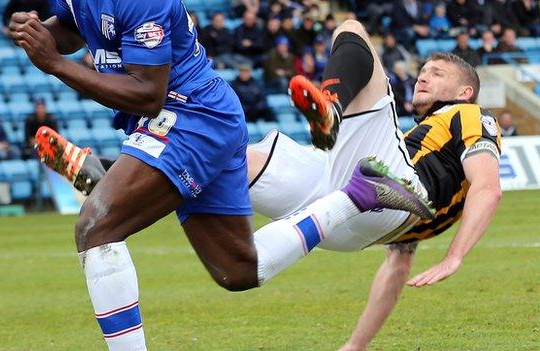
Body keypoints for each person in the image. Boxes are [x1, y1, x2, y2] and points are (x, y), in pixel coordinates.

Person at [37, 19, 502, 351]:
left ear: (466, 92)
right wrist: (356, 345)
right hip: (363, 214)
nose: (424, 74)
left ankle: (333, 105)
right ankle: (115, 170)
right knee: (229, 160)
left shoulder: (469, 116)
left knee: (353, 29)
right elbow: (396, 268)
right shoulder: (419, 141)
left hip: (389, 182)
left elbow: (487, 187)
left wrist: (456, 256)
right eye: (425, 69)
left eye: (438, 74)